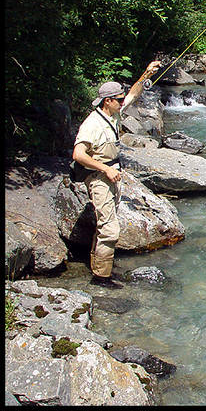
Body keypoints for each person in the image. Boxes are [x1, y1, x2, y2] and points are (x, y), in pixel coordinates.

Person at [72, 60, 161, 289]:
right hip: (99, 178)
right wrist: (106, 169)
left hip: (112, 175)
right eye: (119, 100)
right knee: (110, 229)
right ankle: (101, 278)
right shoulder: (91, 124)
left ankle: (99, 266)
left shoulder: (114, 114)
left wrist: (146, 73)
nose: (123, 102)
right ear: (107, 101)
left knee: (105, 225)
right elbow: (78, 154)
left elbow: (133, 93)